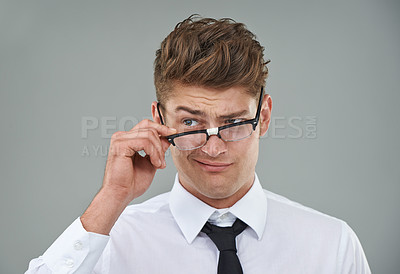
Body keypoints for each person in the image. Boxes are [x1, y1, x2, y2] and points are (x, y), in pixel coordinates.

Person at [26, 15, 371, 274]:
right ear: (160, 120)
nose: (213, 148)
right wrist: (110, 199)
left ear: (263, 117)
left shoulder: (332, 244)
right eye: (191, 122)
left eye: (234, 123)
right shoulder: (109, 241)